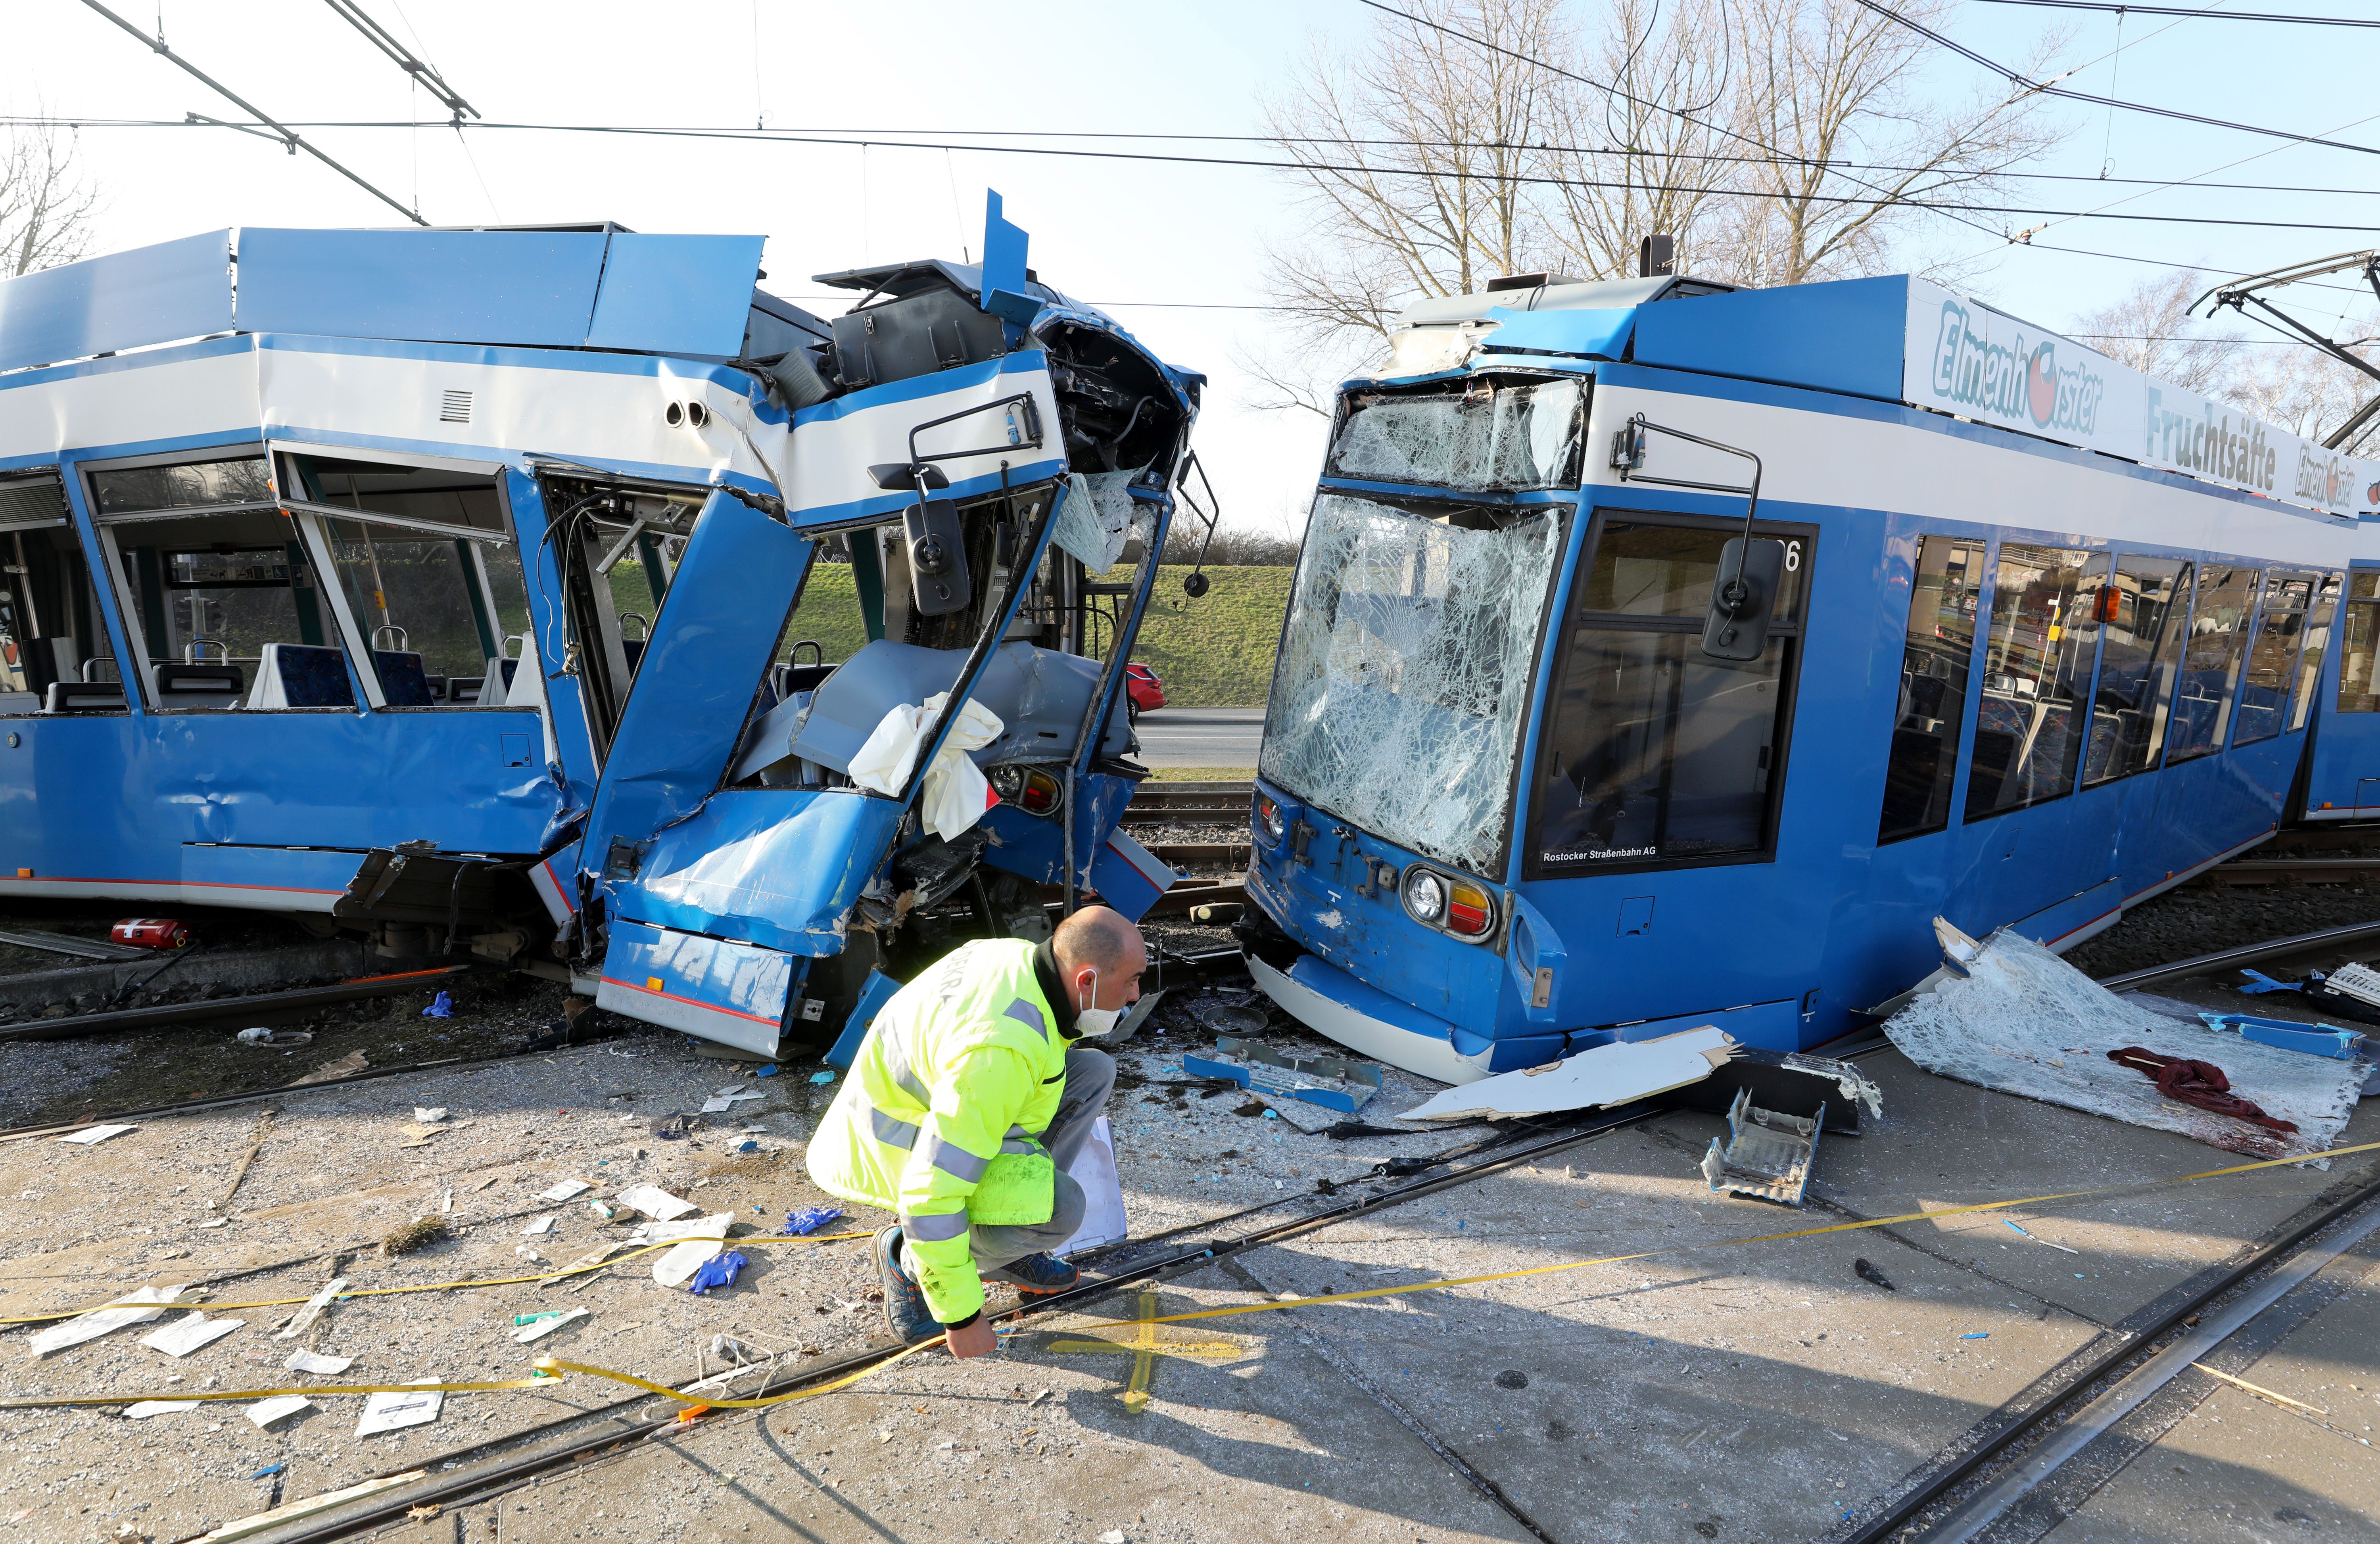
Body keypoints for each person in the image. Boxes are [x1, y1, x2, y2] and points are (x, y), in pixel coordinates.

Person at [805, 905, 1145, 1358]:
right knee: (1063, 1208)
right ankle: (906, 1258)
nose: (1135, 995)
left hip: (934, 1104)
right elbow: (930, 1193)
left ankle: (1010, 1242)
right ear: (1086, 980)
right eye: (1131, 980)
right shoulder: (998, 1051)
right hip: (899, 1148)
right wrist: (962, 1315)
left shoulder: (1020, 959)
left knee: (1093, 1071)